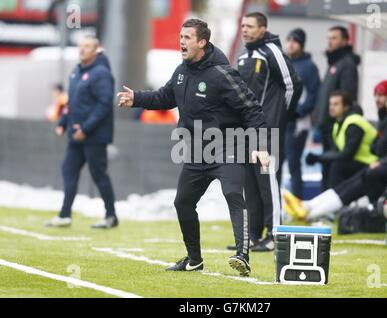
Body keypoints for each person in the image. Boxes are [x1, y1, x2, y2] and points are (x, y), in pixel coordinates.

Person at [117, 19, 270, 276]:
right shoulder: (181, 71)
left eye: (187, 37)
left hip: (227, 144)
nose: (181, 41)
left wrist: (260, 144)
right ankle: (194, 259)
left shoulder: (222, 74)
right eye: (181, 37)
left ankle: (242, 255)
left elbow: (252, 109)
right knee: (183, 202)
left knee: (233, 194)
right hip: (198, 150)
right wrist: (137, 99)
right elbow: (165, 97)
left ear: (202, 42)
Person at [290, 93, 387, 222]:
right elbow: (380, 147)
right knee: (356, 176)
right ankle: (310, 206)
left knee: (365, 175)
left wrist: (381, 160)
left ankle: (315, 211)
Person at [235, 12, 302, 252]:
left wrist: (280, 116)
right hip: (246, 130)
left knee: (267, 182)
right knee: (250, 183)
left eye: (250, 26)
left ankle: (275, 235)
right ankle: (253, 235)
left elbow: (293, 84)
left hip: (267, 129)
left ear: (263, 29)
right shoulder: (243, 55)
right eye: (243, 25)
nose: (244, 30)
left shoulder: (271, 51)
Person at [46, 36, 118, 229]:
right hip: (75, 135)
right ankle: (64, 215)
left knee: (98, 174)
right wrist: (63, 122)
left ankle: (111, 215)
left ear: (96, 50)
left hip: (93, 136)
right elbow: (72, 102)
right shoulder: (76, 71)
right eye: (81, 46)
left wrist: (86, 129)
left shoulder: (101, 73)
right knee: (68, 169)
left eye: (87, 46)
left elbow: (105, 105)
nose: (82, 50)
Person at [313, 26, 360, 190]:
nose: (330, 41)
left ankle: (330, 206)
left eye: (334, 38)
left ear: (345, 40)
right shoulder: (334, 63)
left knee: (333, 168)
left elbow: (346, 96)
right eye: (329, 38)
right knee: (327, 166)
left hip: (335, 125)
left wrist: (335, 119)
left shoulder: (346, 65)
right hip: (326, 123)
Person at [305, 91, 378, 189]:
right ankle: (326, 197)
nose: (331, 107)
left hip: (371, 162)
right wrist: (319, 158)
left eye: (336, 104)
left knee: (337, 165)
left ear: (346, 107)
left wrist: (318, 158)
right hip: (357, 161)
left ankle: (334, 200)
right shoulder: (338, 124)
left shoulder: (354, 122)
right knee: (329, 162)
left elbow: (347, 154)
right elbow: (336, 151)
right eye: (330, 104)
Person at [284, 28, 321, 199]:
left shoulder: (309, 67)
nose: (290, 44)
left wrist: (299, 112)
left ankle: (297, 200)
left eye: (294, 41)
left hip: (299, 123)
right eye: (288, 40)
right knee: (275, 163)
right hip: (282, 121)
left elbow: (314, 94)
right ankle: (277, 203)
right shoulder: (283, 63)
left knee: (293, 163)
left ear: (301, 44)